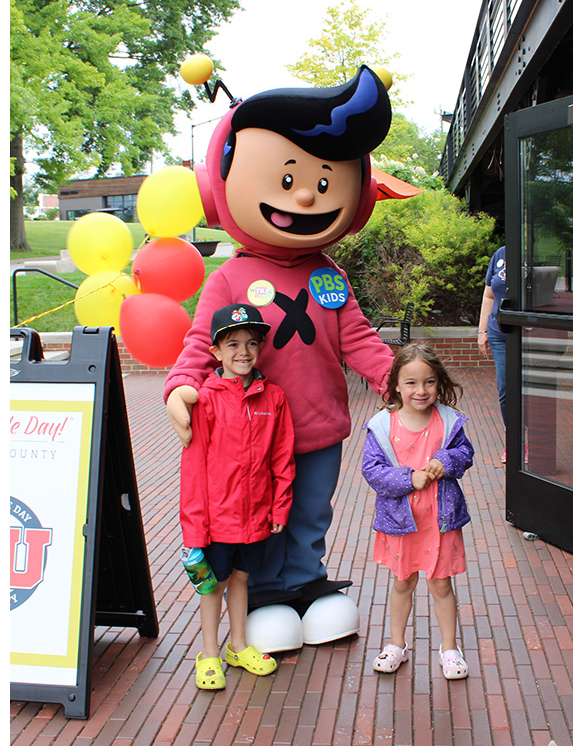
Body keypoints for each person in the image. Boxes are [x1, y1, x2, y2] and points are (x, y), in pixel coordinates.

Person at [165, 65, 400, 650]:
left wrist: (399, 377)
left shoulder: (329, 274)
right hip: (249, 429)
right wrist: (180, 386)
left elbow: (358, 338)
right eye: (290, 176)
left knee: (311, 510)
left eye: (323, 183)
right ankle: (265, 593)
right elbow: (199, 341)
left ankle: (306, 583)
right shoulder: (230, 278)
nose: (302, 195)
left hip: (318, 425)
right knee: (258, 512)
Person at [181, 304, 295, 690]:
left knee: (242, 578)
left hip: (257, 515)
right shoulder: (205, 400)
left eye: (251, 343)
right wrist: (194, 532)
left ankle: (238, 645)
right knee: (212, 585)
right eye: (232, 344)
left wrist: (279, 505)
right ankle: (210, 652)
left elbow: (282, 455)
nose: (243, 352)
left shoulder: (274, 398)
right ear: (215, 351)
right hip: (216, 519)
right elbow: (194, 469)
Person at [361, 343, 475, 680]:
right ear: (396, 384)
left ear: (438, 382)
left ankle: (450, 647)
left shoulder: (449, 421)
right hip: (402, 522)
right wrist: (409, 478)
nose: (420, 390)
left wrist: (446, 460)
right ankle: (397, 643)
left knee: (442, 586)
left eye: (428, 382)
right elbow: (373, 470)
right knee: (402, 583)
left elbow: (464, 453)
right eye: (410, 382)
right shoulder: (383, 425)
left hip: (440, 521)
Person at [476, 245, 507, 461]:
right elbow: (488, 295)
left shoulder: (535, 255)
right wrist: (482, 331)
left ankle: (534, 439)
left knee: (528, 391)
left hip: (527, 334)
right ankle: (514, 440)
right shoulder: (500, 254)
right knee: (505, 389)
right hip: (499, 333)